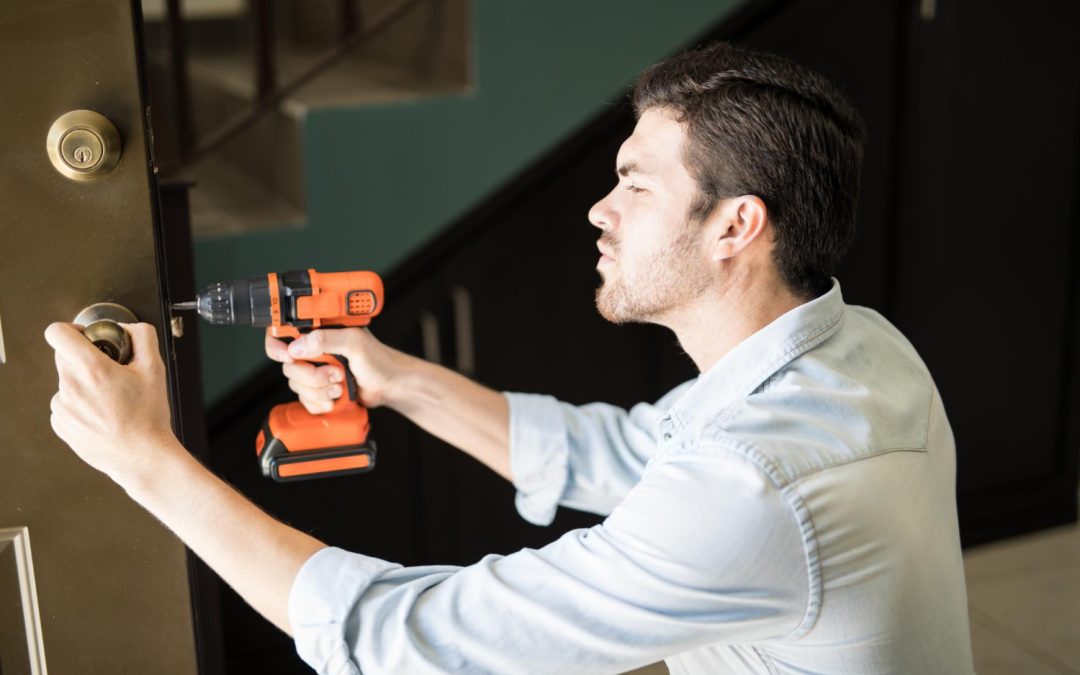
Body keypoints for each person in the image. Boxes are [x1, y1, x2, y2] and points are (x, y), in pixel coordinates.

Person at [45, 42, 974, 673]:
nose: (598, 209)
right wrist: (398, 378)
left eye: (634, 185)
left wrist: (144, 457)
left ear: (738, 224)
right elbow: (625, 453)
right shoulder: (862, 349)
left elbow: (406, 639)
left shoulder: (756, 487)